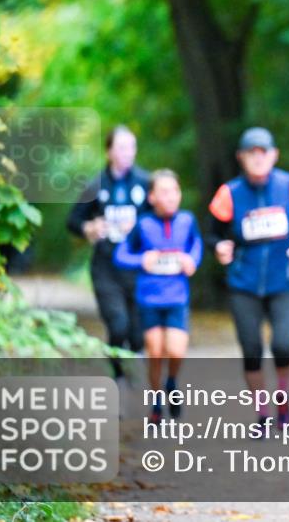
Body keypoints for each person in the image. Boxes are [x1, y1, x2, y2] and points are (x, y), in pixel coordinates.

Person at [208, 127, 289, 431]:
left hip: (284, 281)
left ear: (274, 155)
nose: (258, 159)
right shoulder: (229, 194)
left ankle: (283, 398)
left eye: (264, 153)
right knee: (252, 351)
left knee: (284, 345)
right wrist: (219, 246)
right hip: (243, 284)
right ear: (241, 158)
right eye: (251, 154)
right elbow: (212, 233)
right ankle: (262, 413)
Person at [114, 169, 202, 423]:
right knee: (155, 351)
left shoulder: (187, 220)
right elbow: (120, 255)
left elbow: (196, 245)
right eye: (164, 192)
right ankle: (156, 402)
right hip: (149, 299)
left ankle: (172, 382)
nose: (171, 197)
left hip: (177, 297)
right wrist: (142, 259)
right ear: (152, 197)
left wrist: (191, 260)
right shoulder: (142, 225)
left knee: (175, 351)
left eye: (175, 191)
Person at [67, 125, 150, 390]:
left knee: (137, 331)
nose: (128, 153)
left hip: (138, 267)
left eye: (132, 147)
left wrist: (141, 227)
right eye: (122, 147)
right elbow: (73, 221)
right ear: (109, 151)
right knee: (118, 325)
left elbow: (160, 216)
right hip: (106, 267)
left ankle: (135, 362)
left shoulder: (146, 183)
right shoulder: (95, 185)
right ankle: (119, 378)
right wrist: (89, 228)